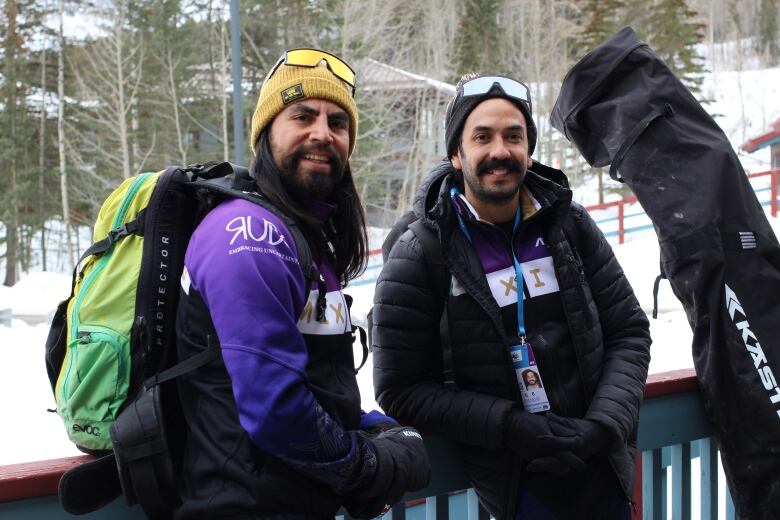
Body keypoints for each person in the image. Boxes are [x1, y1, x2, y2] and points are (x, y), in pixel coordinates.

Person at [372, 73, 651, 519]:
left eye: (513, 136)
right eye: (482, 137)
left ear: (528, 149)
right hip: (515, 485)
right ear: (456, 155)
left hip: (599, 470)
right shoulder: (421, 253)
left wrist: (602, 428)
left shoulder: (569, 226)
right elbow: (400, 389)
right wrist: (508, 426)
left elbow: (629, 331)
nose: (499, 151)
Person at [175, 48, 430, 519]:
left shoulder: (304, 237)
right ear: (267, 131)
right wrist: (369, 465)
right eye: (303, 115)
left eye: (338, 122)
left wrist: (378, 427)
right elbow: (275, 408)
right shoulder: (248, 234)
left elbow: (315, 384)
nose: (322, 133)